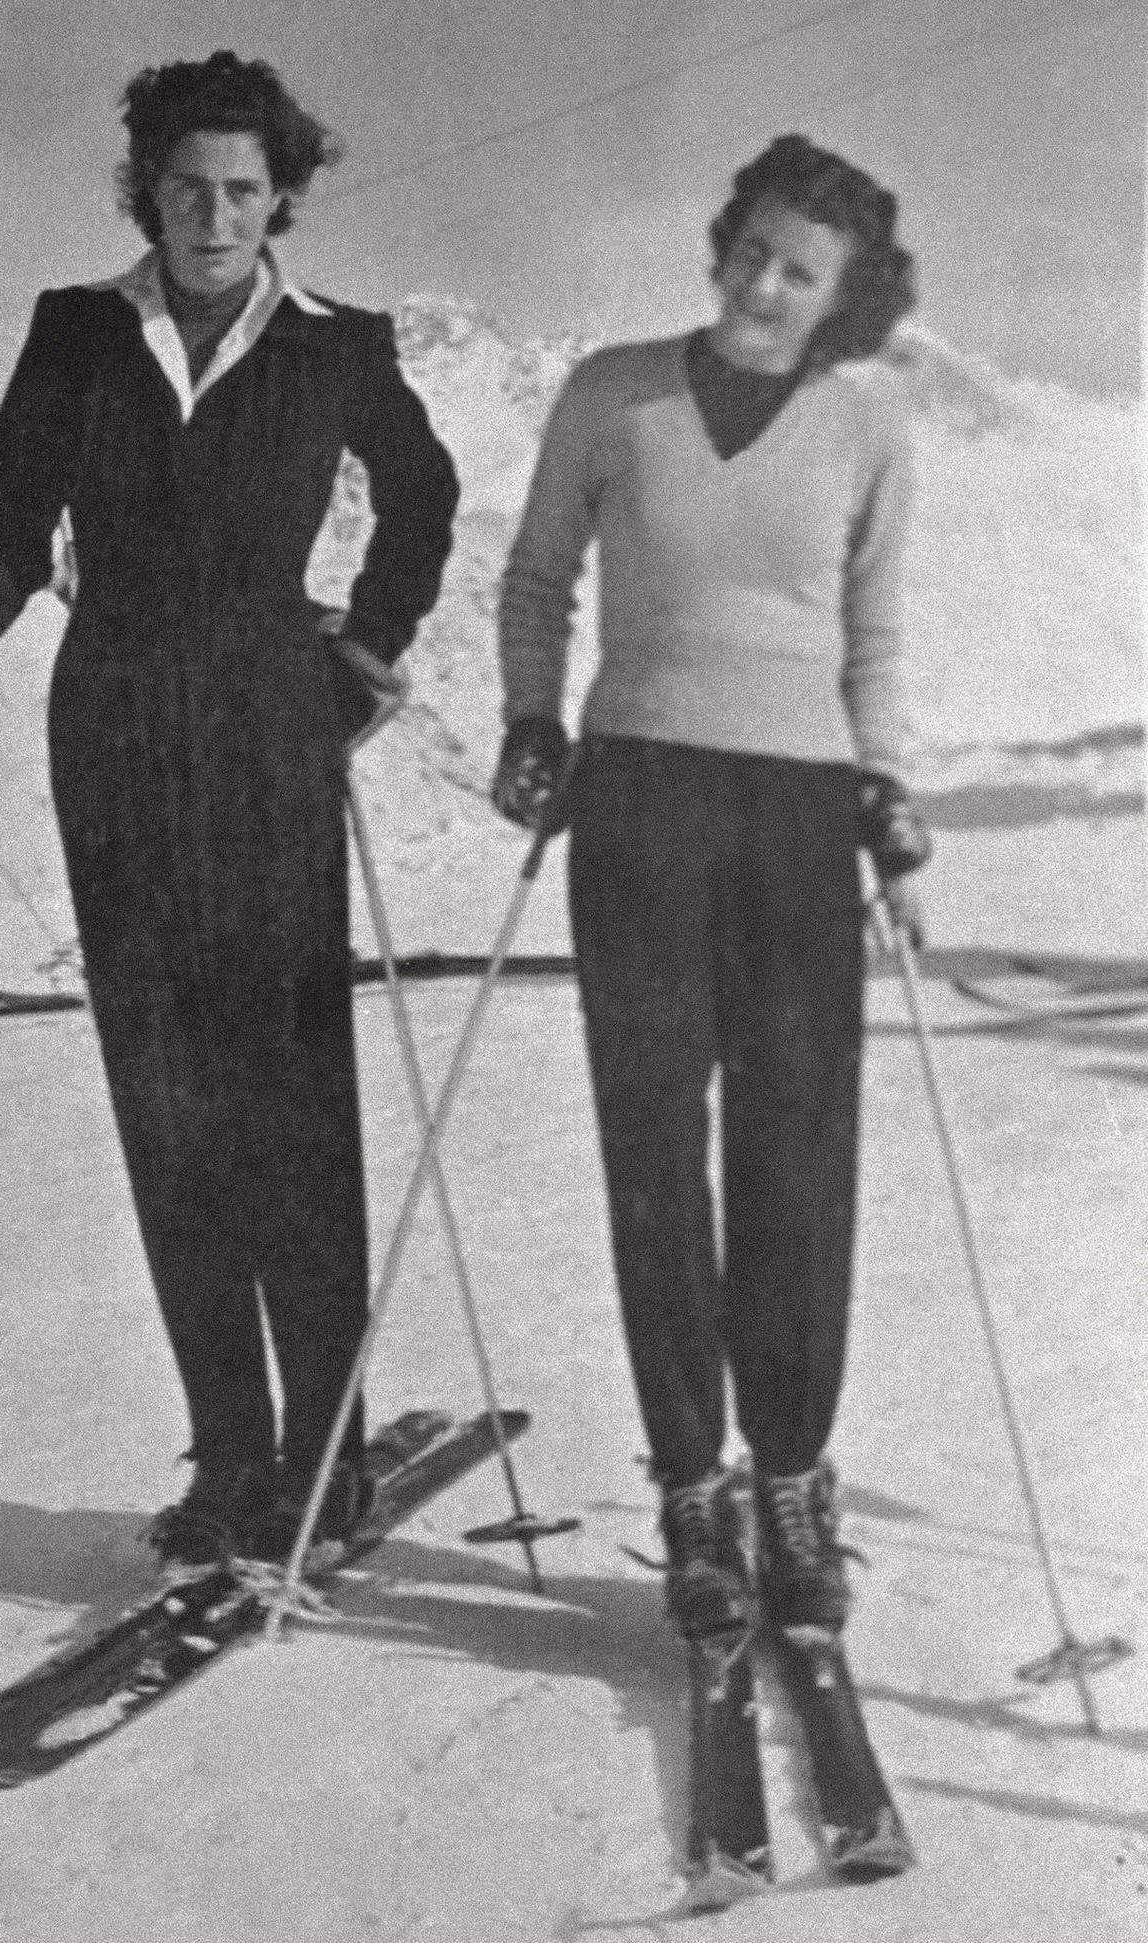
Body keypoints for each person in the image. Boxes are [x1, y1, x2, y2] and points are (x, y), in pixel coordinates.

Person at [0, 52, 459, 1566]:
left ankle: (325, 1444)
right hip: (112, 721)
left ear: (281, 198)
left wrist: (363, 656)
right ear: (147, 193)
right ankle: (232, 1452)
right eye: (187, 188)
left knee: (289, 1095)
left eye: (244, 189)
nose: (214, 215)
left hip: (264, 727)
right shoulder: (77, 336)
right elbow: (10, 522)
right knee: (165, 1095)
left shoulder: (335, 346)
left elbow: (422, 496)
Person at [492, 134, 931, 1642]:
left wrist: (886, 781)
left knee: (799, 1148)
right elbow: (539, 576)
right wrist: (534, 718)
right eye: (749, 247)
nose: (760, 283)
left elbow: (871, 637)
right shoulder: (615, 391)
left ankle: (794, 1477)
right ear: (722, 239)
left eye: (797, 270)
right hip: (641, 800)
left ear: (841, 297)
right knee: (653, 1144)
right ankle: (691, 1481)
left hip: (802, 813)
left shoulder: (869, 426)